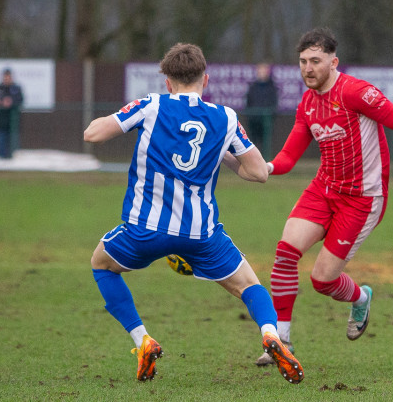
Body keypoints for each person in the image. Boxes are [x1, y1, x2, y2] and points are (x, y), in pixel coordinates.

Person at [83, 43, 303, 384]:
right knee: (248, 285)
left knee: (101, 265)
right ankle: (271, 334)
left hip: (146, 228)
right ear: (206, 79)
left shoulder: (152, 104)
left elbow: (93, 134)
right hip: (202, 234)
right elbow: (259, 173)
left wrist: (128, 117)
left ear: (167, 82)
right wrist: (221, 155)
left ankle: (142, 339)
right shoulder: (225, 117)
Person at [255, 27, 393, 366]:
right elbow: (289, 157)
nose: (307, 68)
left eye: (315, 61)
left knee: (322, 280)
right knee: (285, 253)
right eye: (302, 62)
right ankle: (282, 340)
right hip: (324, 189)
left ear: (333, 61)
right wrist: (264, 167)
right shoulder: (308, 103)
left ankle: (360, 296)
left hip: (362, 199)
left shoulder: (357, 93)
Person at [0, 68, 24, 159]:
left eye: (8, 77)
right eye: (5, 77)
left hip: (13, 120)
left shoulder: (16, 88)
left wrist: (11, 102)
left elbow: (20, 100)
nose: (7, 79)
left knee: (12, 140)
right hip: (1, 119)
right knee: (1, 138)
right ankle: (1, 158)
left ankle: (11, 157)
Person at [245, 62, 278, 159]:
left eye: (264, 71)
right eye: (260, 71)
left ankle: (265, 162)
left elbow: (274, 103)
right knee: (252, 143)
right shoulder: (253, 87)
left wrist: (270, 115)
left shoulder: (272, 87)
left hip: (266, 121)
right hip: (254, 120)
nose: (262, 73)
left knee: (265, 144)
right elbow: (248, 102)